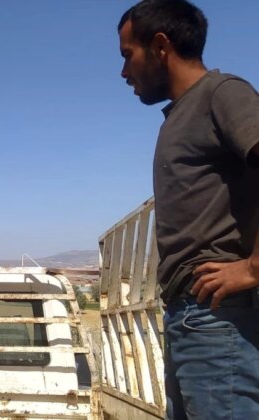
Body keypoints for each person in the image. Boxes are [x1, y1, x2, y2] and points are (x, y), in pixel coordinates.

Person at [117, 1, 259, 419]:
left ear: (160, 46)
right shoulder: (179, 116)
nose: (124, 73)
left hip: (218, 318)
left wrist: (254, 268)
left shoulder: (222, 93)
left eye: (128, 55)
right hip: (190, 317)